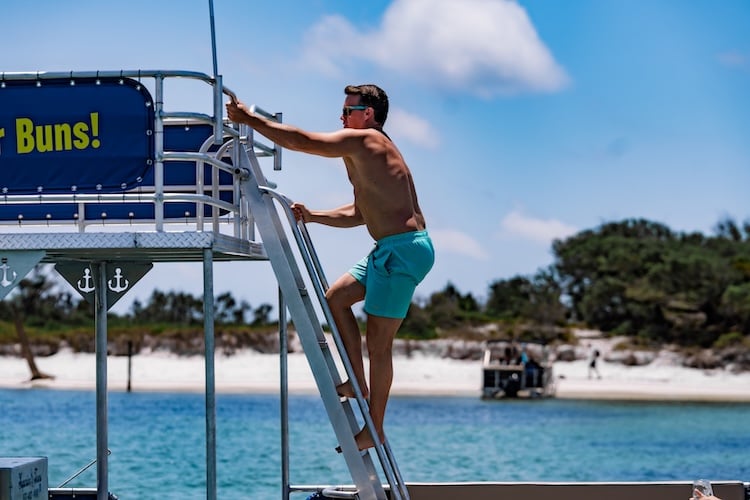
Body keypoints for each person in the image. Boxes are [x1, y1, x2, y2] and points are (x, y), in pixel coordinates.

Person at [226, 84, 434, 452]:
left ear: (367, 113)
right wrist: (314, 216)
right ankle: (355, 381)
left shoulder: (367, 141)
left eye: (347, 111)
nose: (341, 118)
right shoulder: (364, 153)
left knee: (380, 344)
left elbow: (304, 142)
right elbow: (359, 212)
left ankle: (376, 428)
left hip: (402, 251)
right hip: (388, 248)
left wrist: (249, 119)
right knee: (336, 298)